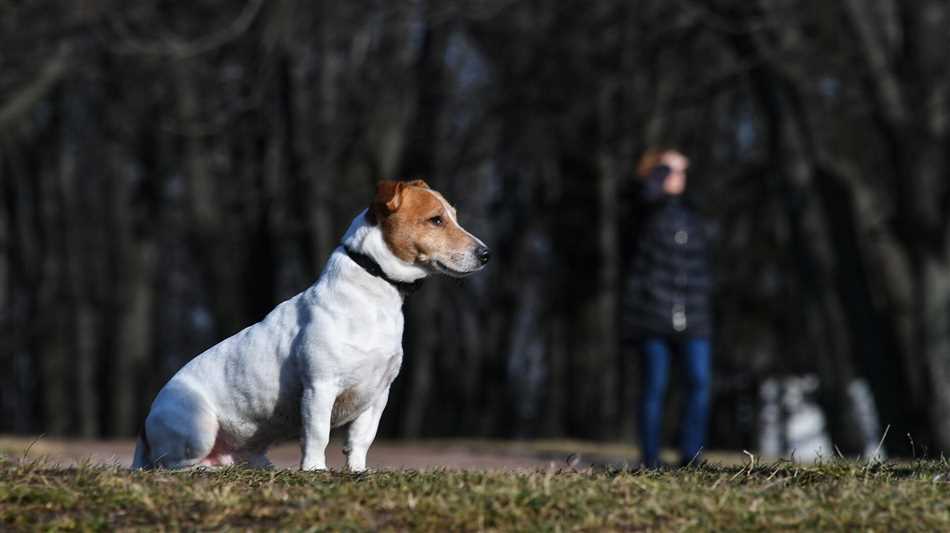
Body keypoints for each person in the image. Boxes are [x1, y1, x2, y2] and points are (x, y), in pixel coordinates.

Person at [624, 148, 713, 469]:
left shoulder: (692, 213)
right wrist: (658, 174)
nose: (678, 176)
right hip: (652, 314)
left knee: (699, 383)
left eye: (680, 171)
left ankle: (692, 455)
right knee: (654, 388)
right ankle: (651, 460)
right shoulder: (644, 212)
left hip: (695, 315)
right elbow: (638, 201)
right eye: (669, 171)